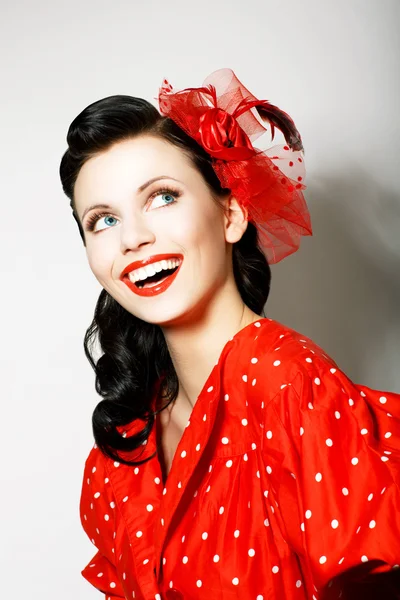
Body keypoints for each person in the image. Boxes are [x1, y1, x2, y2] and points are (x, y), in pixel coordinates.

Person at [59, 69, 400, 600]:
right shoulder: (126, 443)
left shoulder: (287, 382)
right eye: (101, 220)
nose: (133, 238)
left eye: (162, 197)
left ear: (232, 212)